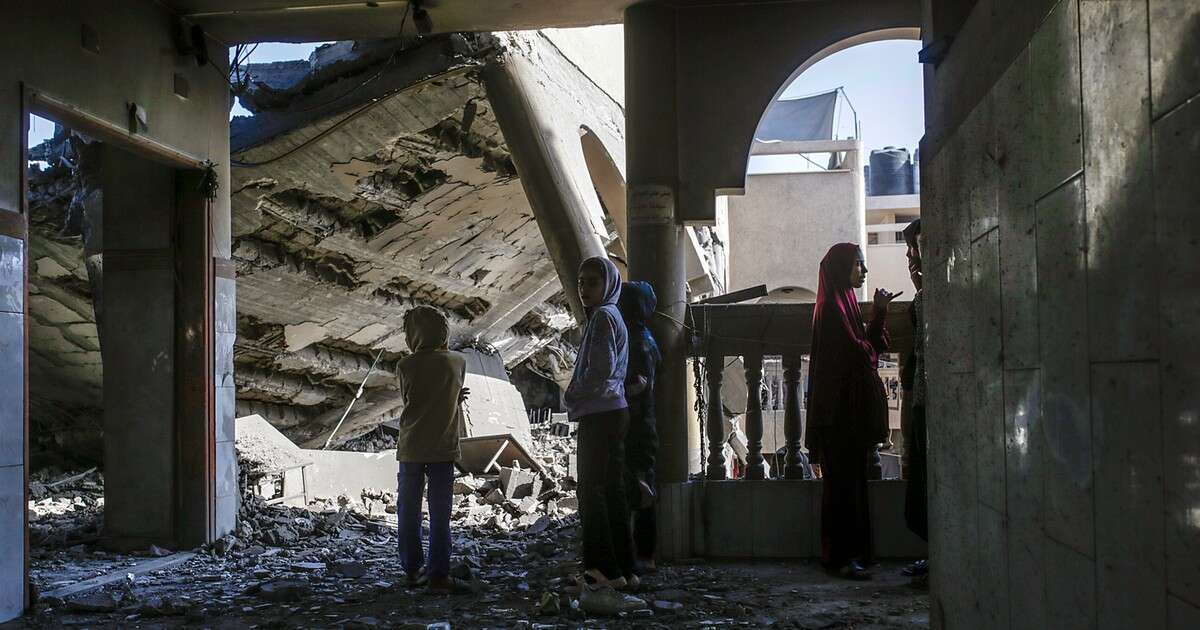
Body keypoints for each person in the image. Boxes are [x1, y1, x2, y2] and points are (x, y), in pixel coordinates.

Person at [805, 243, 901, 580]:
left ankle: (852, 554)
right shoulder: (832, 308)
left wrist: (879, 312)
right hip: (838, 414)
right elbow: (859, 354)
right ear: (842, 267)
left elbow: (868, 346)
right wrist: (876, 320)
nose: (864, 271)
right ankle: (841, 557)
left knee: (852, 484)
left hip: (847, 413)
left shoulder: (843, 303)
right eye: (859, 265)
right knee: (842, 487)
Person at [564, 256, 636, 591]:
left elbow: (600, 369)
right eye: (581, 282)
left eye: (592, 282)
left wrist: (573, 393)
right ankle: (624, 569)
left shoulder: (603, 317)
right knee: (612, 492)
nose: (584, 289)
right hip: (614, 410)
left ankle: (602, 571)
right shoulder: (613, 315)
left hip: (599, 413)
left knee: (591, 494)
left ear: (607, 284)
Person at [394, 305, 468, 594]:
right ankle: (439, 575)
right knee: (440, 514)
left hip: (411, 446)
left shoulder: (404, 366)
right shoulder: (458, 361)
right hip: (443, 448)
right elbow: (446, 396)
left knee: (408, 512)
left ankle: (413, 571)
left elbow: (410, 400)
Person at [617, 280, 662, 575]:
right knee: (641, 488)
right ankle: (642, 554)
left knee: (639, 491)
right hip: (644, 425)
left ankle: (642, 555)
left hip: (635, 426)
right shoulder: (647, 337)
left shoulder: (635, 341)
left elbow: (635, 386)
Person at [899, 220, 929, 580]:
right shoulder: (926, 292)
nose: (910, 255)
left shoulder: (936, 293)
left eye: (915, 248)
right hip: (923, 399)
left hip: (933, 399)